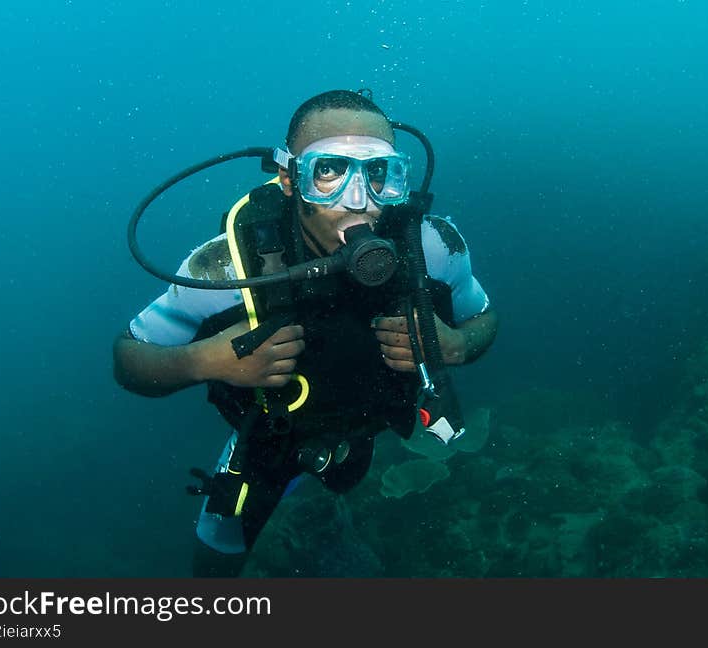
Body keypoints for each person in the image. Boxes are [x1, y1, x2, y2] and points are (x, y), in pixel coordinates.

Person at [113, 89, 498, 577]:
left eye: (379, 174)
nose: (359, 202)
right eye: (329, 172)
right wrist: (205, 361)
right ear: (290, 180)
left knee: (351, 490)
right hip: (271, 444)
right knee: (214, 562)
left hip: (372, 428)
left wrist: (458, 345)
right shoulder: (228, 267)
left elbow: (484, 318)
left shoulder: (433, 246)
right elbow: (128, 358)